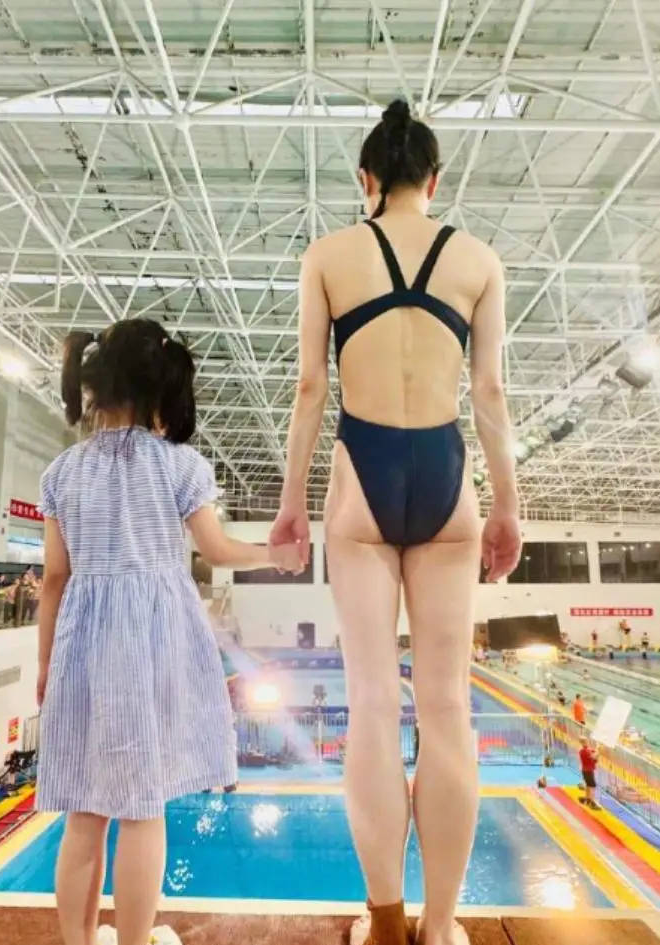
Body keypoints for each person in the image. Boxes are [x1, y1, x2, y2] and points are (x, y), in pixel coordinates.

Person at [269, 99, 521, 945]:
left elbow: (310, 387)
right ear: (434, 181)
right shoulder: (477, 259)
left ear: (366, 179)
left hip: (362, 478)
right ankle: (440, 926)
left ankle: (383, 923)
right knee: (445, 707)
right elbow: (488, 393)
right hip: (446, 476)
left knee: (374, 705)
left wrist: (290, 501)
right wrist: (507, 504)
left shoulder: (328, 255)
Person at [36, 319, 300, 945]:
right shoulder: (180, 465)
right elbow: (216, 550)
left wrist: (46, 665)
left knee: (84, 812)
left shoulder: (61, 472)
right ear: (157, 390)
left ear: (97, 386)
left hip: (83, 644)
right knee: (143, 809)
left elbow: (54, 579)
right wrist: (275, 555)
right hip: (156, 641)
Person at [578, 737, 600, 809]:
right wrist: (598, 750)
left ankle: (587, 799)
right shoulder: (585, 751)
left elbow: (592, 752)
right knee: (592, 786)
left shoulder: (582, 750)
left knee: (588, 785)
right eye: (586, 741)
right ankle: (592, 802)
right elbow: (593, 756)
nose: (588, 742)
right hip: (588, 771)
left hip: (585, 770)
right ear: (584, 742)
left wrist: (596, 750)